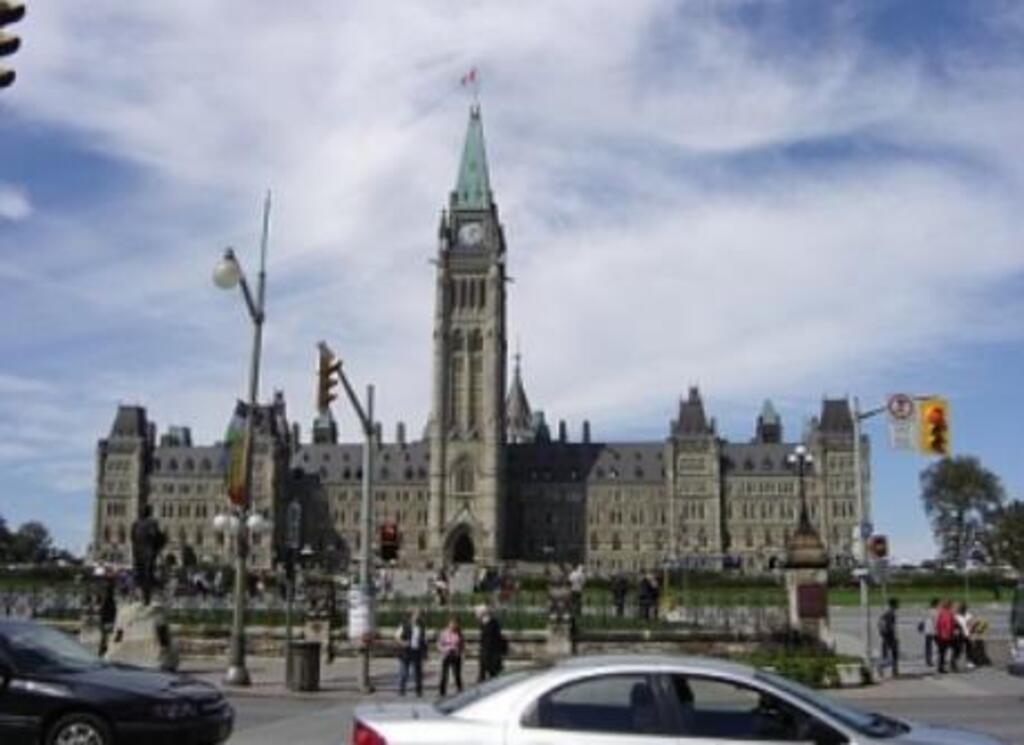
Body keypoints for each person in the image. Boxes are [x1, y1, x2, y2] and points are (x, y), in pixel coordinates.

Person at [394, 609, 428, 697]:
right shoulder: (404, 624)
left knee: (418, 673)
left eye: (419, 615)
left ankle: (418, 691)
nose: (418, 617)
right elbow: (396, 637)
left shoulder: (421, 626)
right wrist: (403, 642)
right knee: (404, 673)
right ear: (412, 616)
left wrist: (424, 652)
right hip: (405, 652)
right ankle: (401, 690)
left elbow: (424, 639)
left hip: (416, 651)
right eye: (416, 615)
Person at [476, 604, 506, 682]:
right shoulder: (482, 624)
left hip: (492, 653)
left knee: (493, 674)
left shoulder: (494, 623)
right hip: (485, 652)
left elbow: (498, 638)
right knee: (482, 674)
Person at [437, 616, 465, 696]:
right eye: (452, 624)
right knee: (444, 674)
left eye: (455, 624)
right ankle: (442, 691)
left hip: (456, 655)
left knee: (457, 674)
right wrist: (444, 649)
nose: (453, 625)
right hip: (447, 655)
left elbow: (462, 644)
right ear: (448, 624)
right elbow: (439, 644)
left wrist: (460, 651)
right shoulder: (444, 633)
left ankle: (460, 690)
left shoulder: (459, 633)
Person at [878, 597, 900, 677]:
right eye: (897, 604)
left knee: (892, 655)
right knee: (892, 655)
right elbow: (891, 627)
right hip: (890, 637)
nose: (898, 605)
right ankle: (882, 666)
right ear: (894, 605)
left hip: (886, 637)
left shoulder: (886, 613)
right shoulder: (891, 614)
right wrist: (895, 637)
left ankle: (895, 671)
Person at [935, 599, 956, 673]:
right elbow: (949, 625)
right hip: (946, 635)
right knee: (953, 649)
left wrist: (938, 632)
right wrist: (950, 633)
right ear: (949, 606)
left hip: (940, 634)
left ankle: (940, 667)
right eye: (952, 605)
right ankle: (950, 665)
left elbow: (937, 624)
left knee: (941, 652)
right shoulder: (948, 613)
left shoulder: (941, 613)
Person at [919, 598, 939, 668]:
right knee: (939, 645)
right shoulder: (935, 611)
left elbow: (922, 619)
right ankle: (935, 659)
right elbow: (936, 621)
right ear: (936, 604)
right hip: (933, 631)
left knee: (928, 646)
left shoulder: (927, 610)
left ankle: (928, 660)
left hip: (927, 631)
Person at [955, 603, 975, 670]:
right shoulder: (956, 616)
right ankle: (956, 661)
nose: (960, 610)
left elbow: (971, 625)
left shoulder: (968, 616)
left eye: (962, 608)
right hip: (960, 635)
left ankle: (969, 662)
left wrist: (970, 633)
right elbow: (955, 626)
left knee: (969, 649)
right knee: (959, 649)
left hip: (967, 634)